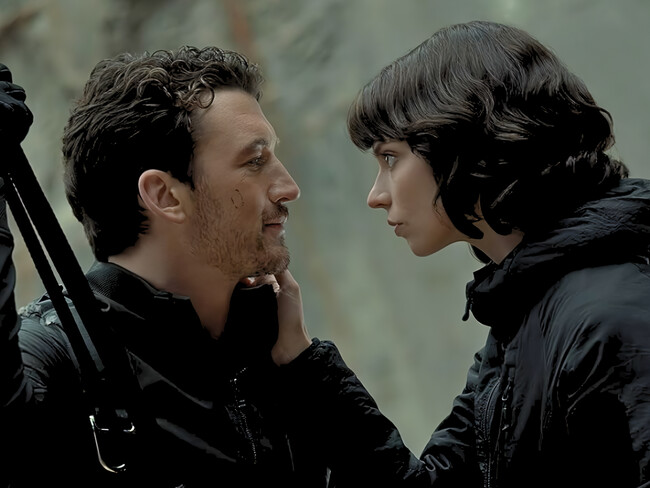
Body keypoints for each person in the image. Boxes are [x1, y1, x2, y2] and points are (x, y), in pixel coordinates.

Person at [272, 20, 650, 487]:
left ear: (461, 144)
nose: (375, 196)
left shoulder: (610, 317)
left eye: (389, 158)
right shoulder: (521, 315)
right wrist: (300, 358)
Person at [0, 48, 330, 487]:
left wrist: (309, 368)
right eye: (255, 161)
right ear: (165, 195)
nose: (289, 187)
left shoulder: (276, 347)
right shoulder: (55, 354)